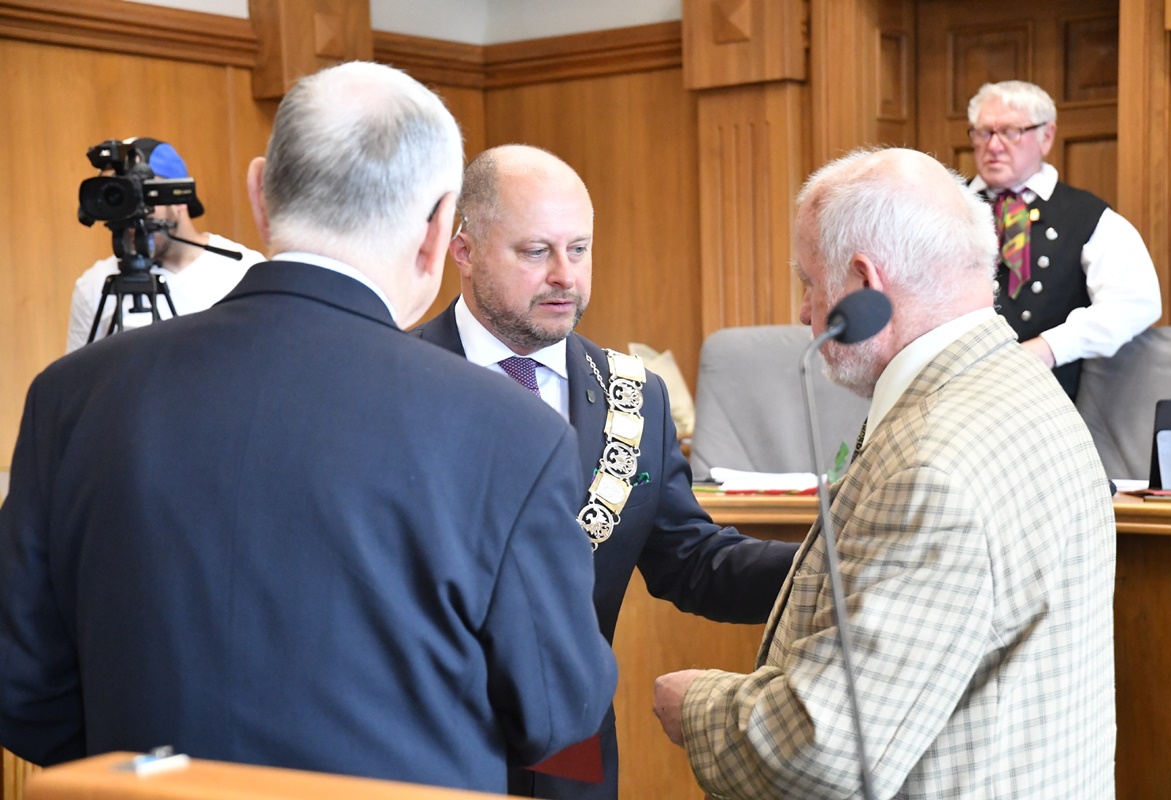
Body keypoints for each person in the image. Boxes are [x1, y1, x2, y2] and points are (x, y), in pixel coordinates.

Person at [0, 62, 616, 795]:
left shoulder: (70, 395)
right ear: (439, 228)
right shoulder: (512, 430)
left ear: (260, 193)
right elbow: (558, 711)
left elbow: (22, 687)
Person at [653, 148, 1116, 798]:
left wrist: (698, 706)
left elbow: (827, 749)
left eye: (810, 282)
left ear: (864, 283)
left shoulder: (931, 464)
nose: (804, 312)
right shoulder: (1024, 386)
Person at [412, 143, 799, 800]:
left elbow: (691, 561)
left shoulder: (633, 394)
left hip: (572, 753)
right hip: (423, 747)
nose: (564, 275)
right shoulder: (395, 380)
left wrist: (827, 568)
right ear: (464, 251)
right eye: (536, 251)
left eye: (580, 249)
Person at [967, 79, 1160, 399]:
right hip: (954, 392)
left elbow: (1135, 302)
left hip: (1048, 399)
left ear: (1046, 136)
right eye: (984, 132)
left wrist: (1049, 348)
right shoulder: (944, 208)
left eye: (1011, 132)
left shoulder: (1089, 216)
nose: (994, 146)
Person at [66, 136, 265, 353]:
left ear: (178, 196)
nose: (130, 213)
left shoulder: (244, 271)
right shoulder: (93, 285)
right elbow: (77, 374)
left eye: (141, 194)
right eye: (119, 197)